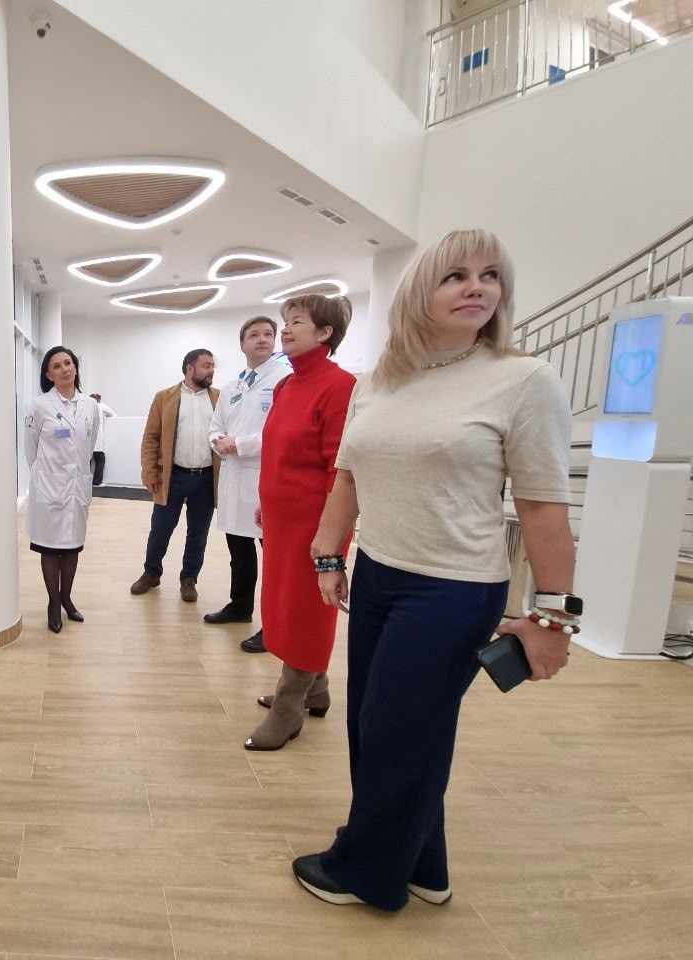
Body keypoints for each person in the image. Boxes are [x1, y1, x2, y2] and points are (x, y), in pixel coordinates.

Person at [292, 229, 576, 911]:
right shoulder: (378, 382)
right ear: (420, 291)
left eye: (489, 275)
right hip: (378, 573)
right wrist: (329, 554)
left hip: (455, 588)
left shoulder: (524, 381)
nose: (477, 287)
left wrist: (553, 618)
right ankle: (425, 863)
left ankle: (367, 872)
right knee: (381, 725)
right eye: (455, 275)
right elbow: (348, 475)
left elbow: (542, 507)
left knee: (397, 729)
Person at [243, 296, 355, 750]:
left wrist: (330, 537)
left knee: (307, 612)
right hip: (282, 521)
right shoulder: (288, 384)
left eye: (296, 322)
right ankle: (317, 689)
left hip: (317, 525)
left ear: (325, 333)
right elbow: (277, 451)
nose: (285, 330)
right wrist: (266, 501)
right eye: (285, 321)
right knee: (284, 606)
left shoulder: (340, 386)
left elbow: (339, 470)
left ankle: (290, 705)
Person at [204, 316, 291, 633]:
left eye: (268, 334)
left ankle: (275, 624)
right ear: (242, 344)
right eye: (254, 335)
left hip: (266, 479)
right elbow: (215, 428)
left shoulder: (285, 380)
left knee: (275, 557)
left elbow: (282, 433)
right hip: (234, 479)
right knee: (239, 551)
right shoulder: (233, 386)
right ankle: (240, 606)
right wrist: (219, 442)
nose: (262, 339)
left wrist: (238, 444)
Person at [130, 349, 220, 603]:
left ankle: (189, 578)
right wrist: (149, 472)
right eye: (206, 365)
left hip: (206, 478)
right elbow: (150, 438)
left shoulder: (219, 398)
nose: (211, 370)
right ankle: (151, 573)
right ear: (189, 368)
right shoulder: (164, 397)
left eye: (213, 365)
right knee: (160, 529)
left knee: (198, 533)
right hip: (172, 477)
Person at [25, 345, 100, 632]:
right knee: (50, 548)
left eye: (68, 363)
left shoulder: (89, 405)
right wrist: (47, 476)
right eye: (56, 366)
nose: (64, 369)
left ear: (75, 367)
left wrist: (76, 473)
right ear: (48, 374)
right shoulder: (40, 405)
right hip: (49, 487)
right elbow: (30, 449)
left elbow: (89, 445)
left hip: (77, 486)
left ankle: (67, 597)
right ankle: (53, 603)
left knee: (72, 547)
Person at [89, 391, 116, 486]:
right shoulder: (100, 405)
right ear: (99, 399)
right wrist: (104, 416)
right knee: (100, 458)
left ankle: (85, 482)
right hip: (97, 434)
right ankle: (96, 481)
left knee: (87, 460)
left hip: (86, 435)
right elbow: (113, 414)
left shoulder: (86, 407)